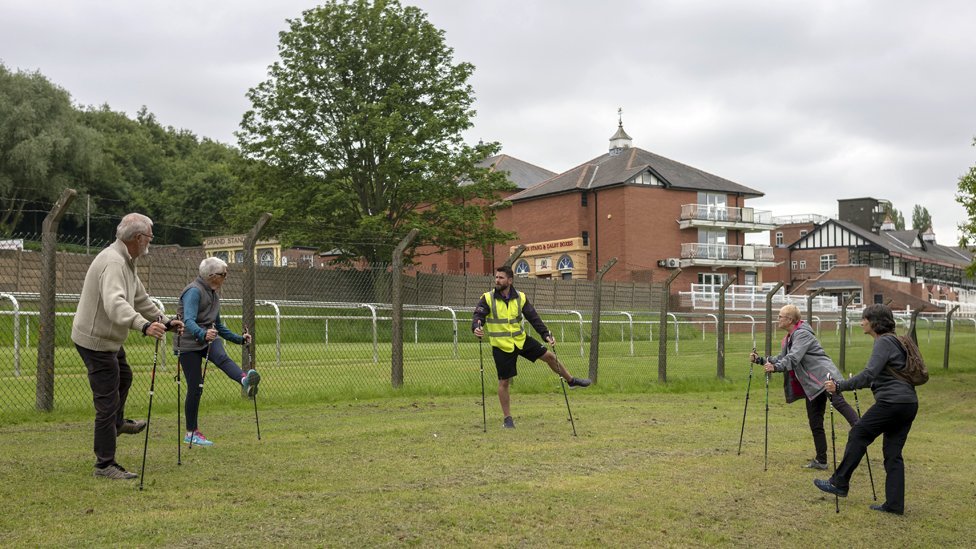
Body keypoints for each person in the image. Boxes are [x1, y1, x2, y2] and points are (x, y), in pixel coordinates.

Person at [72, 213, 184, 480]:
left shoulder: (126, 260)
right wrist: (143, 326)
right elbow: (115, 303)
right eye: (149, 237)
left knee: (125, 377)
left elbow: (140, 298)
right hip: (96, 341)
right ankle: (104, 464)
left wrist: (164, 320)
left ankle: (118, 424)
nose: (150, 242)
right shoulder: (114, 263)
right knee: (106, 401)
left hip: (107, 339)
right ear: (138, 238)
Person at [814, 304, 918, 515]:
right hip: (908, 403)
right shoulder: (897, 341)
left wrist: (839, 386)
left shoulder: (883, 342)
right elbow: (882, 375)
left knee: (859, 433)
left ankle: (839, 482)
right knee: (893, 453)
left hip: (891, 403)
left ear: (874, 322)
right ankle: (894, 505)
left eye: (864, 319)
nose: (861, 322)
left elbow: (869, 374)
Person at [472, 265, 591, 429]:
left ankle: (570, 380)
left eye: (501, 277)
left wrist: (546, 334)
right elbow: (478, 315)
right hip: (501, 346)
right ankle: (507, 419)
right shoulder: (487, 298)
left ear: (510, 280)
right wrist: (477, 327)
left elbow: (533, 318)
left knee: (550, 357)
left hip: (520, 340)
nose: (497, 280)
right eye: (496, 277)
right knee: (504, 382)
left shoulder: (520, 297)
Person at [750, 304, 859, 470]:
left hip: (825, 378)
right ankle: (821, 460)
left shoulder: (802, 335)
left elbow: (793, 358)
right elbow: (782, 357)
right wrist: (760, 360)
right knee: (815, 422)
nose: (777, 319)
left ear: (790, 320)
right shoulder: (789, 338)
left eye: (780, 316)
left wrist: (776, 368)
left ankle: (862, 430)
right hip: (813, 386)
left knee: (840, 405)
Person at [175, 257, 260, 447]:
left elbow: (219, 326)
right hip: (189, 344)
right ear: (212, 276)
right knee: (195, 388)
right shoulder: (194, 292)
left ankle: (245, 380)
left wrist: (240, 339)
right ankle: (191, 432)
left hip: (209, 338)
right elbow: (188, 320)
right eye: (224, 274)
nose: (226, 278)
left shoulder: (213, 294)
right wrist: (202, 333)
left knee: (221, 356)